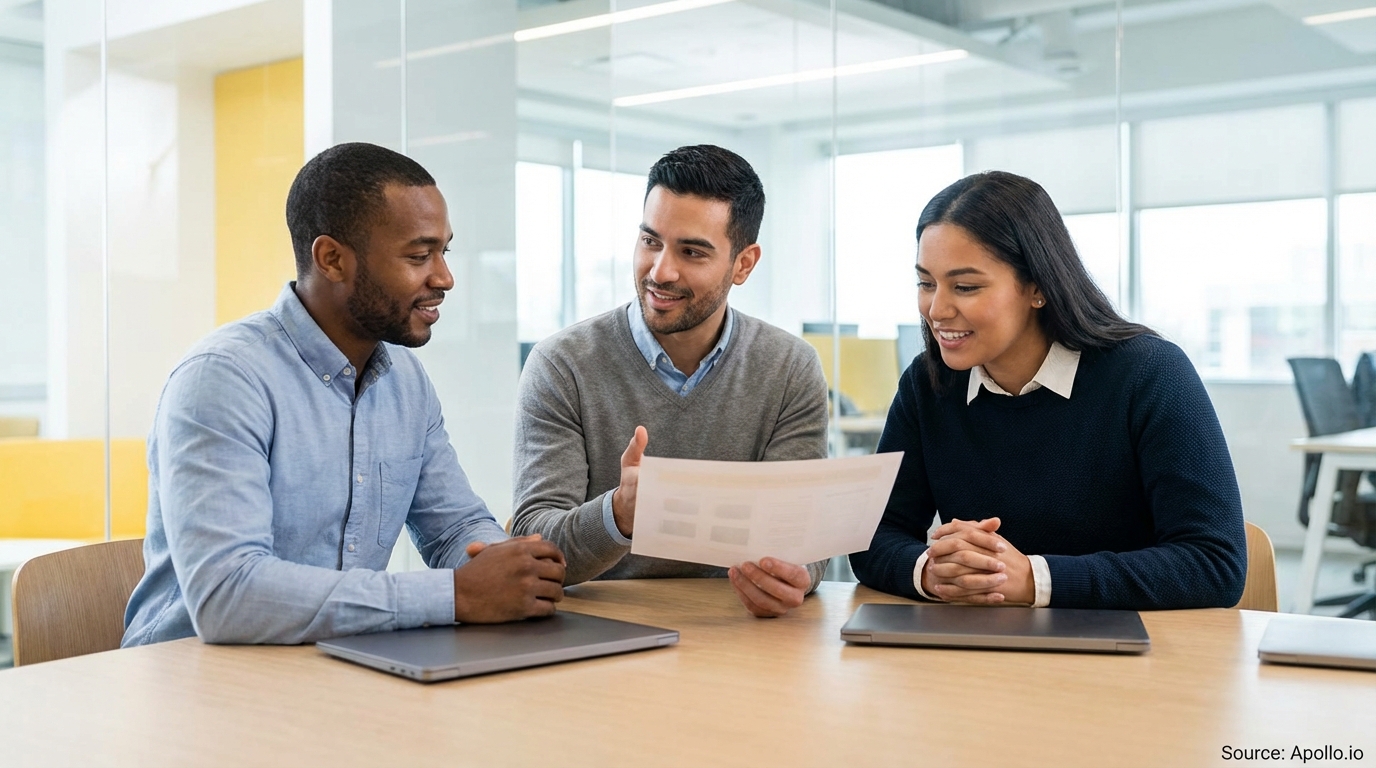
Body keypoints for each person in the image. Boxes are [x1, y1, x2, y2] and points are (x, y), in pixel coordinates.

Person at [123, 143, 565, 647]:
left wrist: (509, 568)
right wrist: (454, 595)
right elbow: (228, 595)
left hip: (330, 667)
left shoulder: (406, 382)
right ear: (332, 259)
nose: (444, 278)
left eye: (444, 252)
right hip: (192, 682)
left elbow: (454, 527)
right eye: (419, 256)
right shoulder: (222, 380)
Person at [849, 171, 1246, 610]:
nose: (937, 309)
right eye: (926, 283)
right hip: (975, 649)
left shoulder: (1149, 373)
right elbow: (871, 536)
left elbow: (1214, 562)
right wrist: (931, 570)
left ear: (1037, 286)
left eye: (965, 287)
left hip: (1129, 655)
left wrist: (1037, 579)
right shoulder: (928, 385)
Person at [510, 145, 830, 618]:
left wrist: (799, 573)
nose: (660, 271)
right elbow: (533, 543)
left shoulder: (789, 368)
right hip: (599, 630)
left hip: (737, 628)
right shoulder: (562, 364)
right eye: (650, 241)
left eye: (692, 251)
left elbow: (803, 535)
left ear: (743, 264)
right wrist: (620, 514)